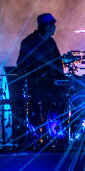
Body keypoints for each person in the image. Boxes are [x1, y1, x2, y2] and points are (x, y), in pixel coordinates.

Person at [16, 13, 65, 142]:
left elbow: (58, 62)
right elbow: (21, 65)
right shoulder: (29, 42)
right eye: (53, 25)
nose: (55, 28)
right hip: (37, 85)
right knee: (40, 107)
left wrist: (62, 79)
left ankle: (58, 131)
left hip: (52, 84)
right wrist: (36, 74)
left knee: (65, 97)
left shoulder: (51, 41)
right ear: (46, 26)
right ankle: (40, 135)